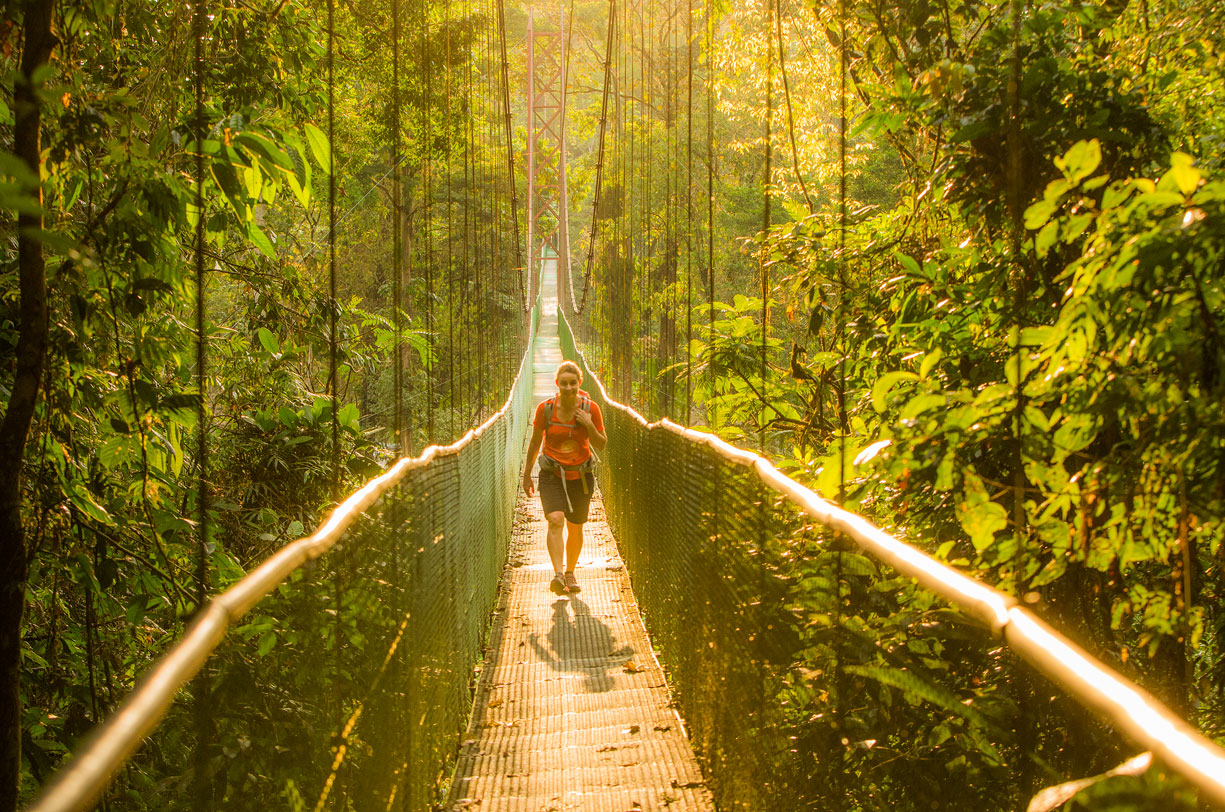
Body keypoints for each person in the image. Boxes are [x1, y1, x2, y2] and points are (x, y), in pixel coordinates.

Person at [521, 361, 607, 595]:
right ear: (557, 384)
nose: (568, 387)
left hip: (580, 476)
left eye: (572, 383)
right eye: (564, 383)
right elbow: (535, 441)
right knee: (556, 519)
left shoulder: (591, 409)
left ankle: (570, 572)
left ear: (579, 383)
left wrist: (589, 425)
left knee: (576, 527)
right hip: (551, 473)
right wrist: (527, 474)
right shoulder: (545, 409)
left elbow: (601, 444)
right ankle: (558, 575)